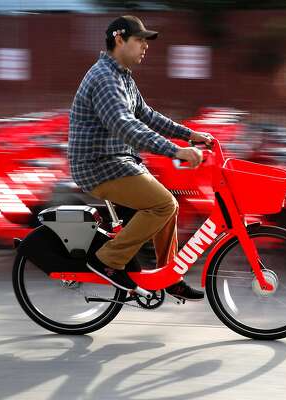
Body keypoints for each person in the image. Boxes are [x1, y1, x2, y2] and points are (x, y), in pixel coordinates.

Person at [68, 15, 213, 301]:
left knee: (167, 204)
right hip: (98, 165)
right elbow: (126, 126)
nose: (145, 46)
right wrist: (176, 151)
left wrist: (189, 135)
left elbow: (146, 116)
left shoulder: (122, 76)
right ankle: (107, 261)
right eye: (139, 40)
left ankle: (169, 275)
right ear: (119, 40)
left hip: (118, 161)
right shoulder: (105, 79)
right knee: (163, 204)